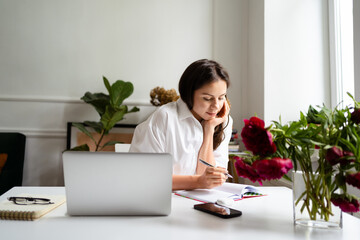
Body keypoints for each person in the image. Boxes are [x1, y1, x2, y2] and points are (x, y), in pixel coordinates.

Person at [130, 59, 233, 190]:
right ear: (189, 93)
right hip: (164, 201)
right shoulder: (165, 117)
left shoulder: (222, 121)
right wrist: (198, 182)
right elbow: (146, 177)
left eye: (221, 97)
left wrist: (209, 129)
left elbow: (211, 180)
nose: (216, 106)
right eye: (207, 98)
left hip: (204, 202)